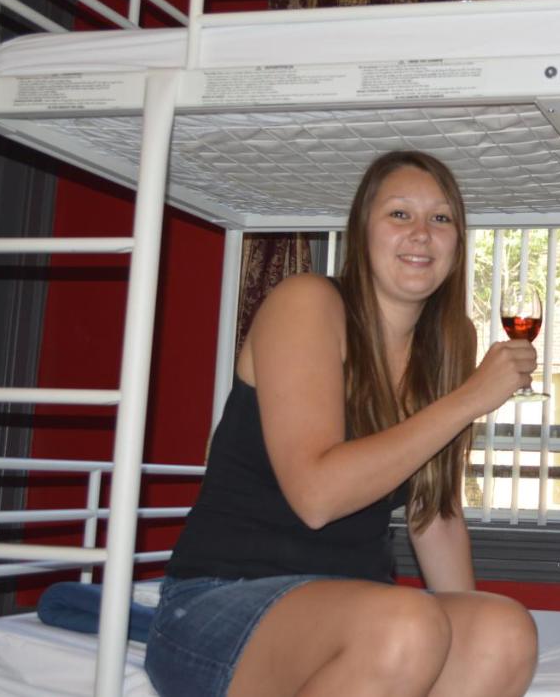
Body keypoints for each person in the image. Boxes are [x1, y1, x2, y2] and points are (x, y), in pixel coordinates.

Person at [145, 151, 540, 697]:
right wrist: (469, 399)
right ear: (362, 232)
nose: (422, 234)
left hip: (353, 607)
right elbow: (317, 496)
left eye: (441, 218)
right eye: (400, 215)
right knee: (407, 624)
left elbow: (435, 514)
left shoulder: (451, 344)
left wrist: (463, 623)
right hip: (223, 601)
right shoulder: (306, 303)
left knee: (505, 630)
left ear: (458, 241)